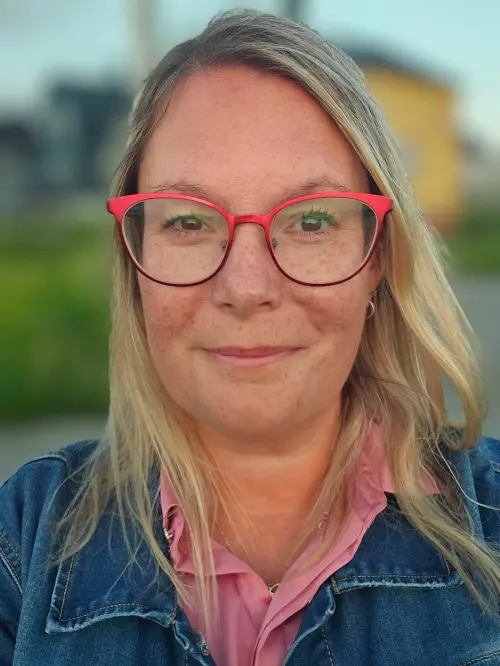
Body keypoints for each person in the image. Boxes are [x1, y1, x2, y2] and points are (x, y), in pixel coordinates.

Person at [1, 9, 499, 666]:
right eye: (188, 222)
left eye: (311, 221)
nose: (246, 287)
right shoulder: (23, 542)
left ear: (378, 255)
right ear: (134, 257)